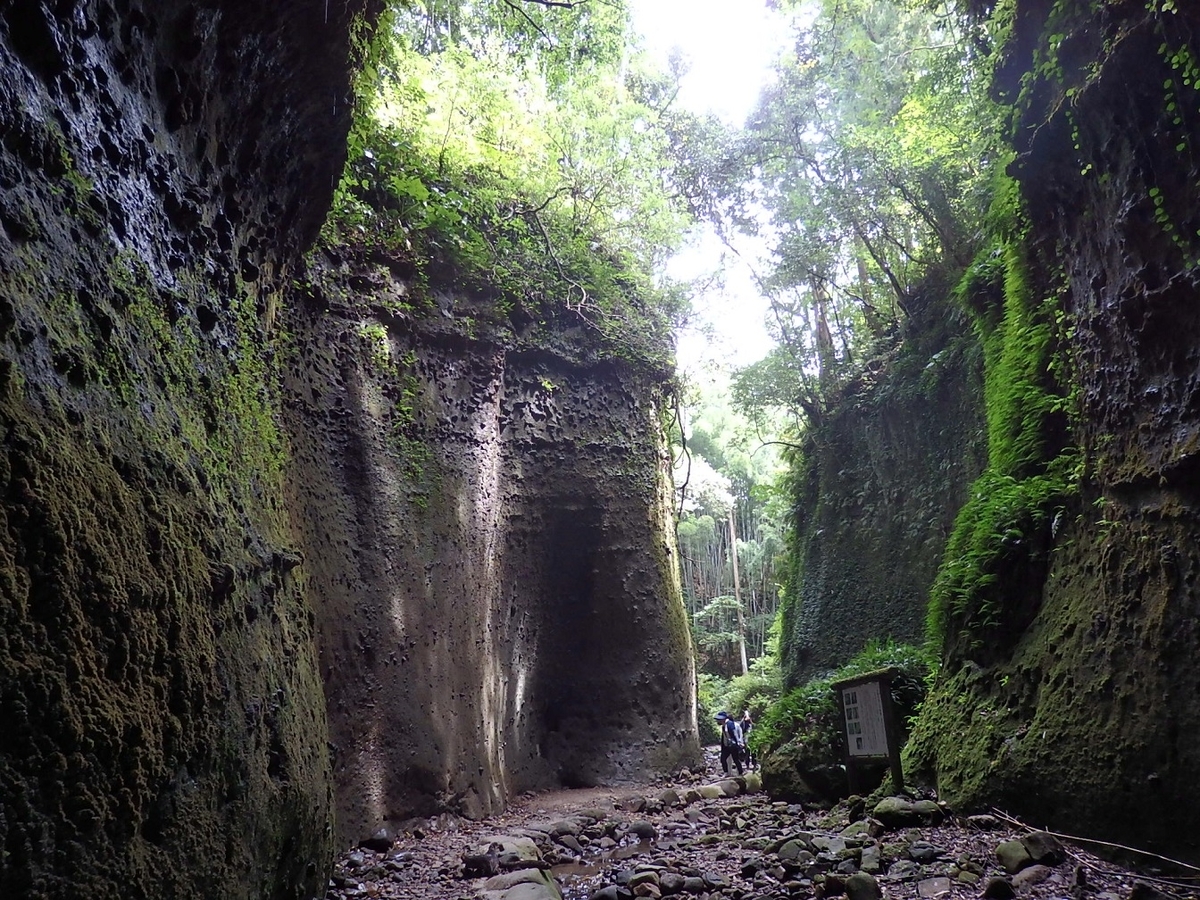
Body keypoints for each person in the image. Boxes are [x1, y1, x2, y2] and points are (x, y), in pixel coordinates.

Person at [715, 711, 744, 776]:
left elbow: (735, 734)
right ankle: (726, 772)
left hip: (733, 745)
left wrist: (739, 743)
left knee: (736, 759)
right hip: (727, 746)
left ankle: (740, 772)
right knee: (723, 759)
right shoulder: (723, 726)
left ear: (723, 719)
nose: (718, 721)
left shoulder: (730, 724)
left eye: (719, 720)